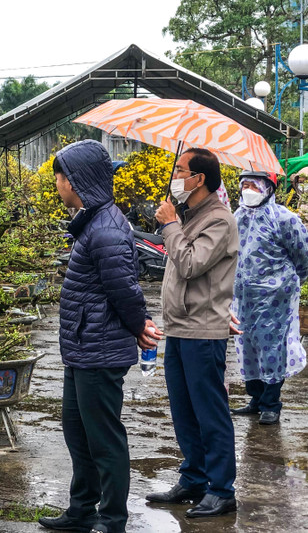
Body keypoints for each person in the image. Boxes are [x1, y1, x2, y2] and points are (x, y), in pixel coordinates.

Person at [38, 140, 160, 533]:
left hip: (99, 350)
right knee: (78, 435)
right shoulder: (93, 220)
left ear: (76, 180)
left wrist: (139, 326)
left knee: (104, 440)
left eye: (60, 177)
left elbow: (125, 290)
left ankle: (112, 520)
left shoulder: (106, 229)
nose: (57, 184)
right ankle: (81, 511)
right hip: (83, 346)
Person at [147, 148, 239, 518]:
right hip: (180, 327)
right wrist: (174, 222)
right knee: (184, 410)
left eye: (180, 170)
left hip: (203, 330)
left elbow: (189, 264)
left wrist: (170, 224)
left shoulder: (219, 220)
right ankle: (194, 478)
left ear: (198, 179)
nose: (174, 177)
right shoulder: (190, 215)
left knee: (209, 412)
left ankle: (222, 490)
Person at [230, 170, 308, 425]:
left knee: (272, 348)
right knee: (248, 347)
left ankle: (271, 404)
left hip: (275, 299)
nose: (248, 190)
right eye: (245, 185)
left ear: (268, 189)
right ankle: (256, 398)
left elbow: (303, 256)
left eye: (254, 185)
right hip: (244, 298)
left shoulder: (284, 219)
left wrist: (288, 283)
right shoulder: (238, 217)